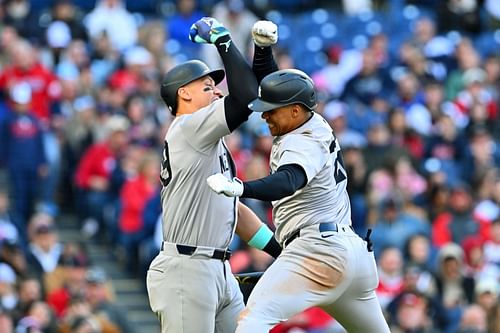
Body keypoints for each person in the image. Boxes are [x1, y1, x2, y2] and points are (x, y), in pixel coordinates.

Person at [207, 69, 390, 332]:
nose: (265, 115)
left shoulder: (302, 141)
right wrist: (263, 51)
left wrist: (240, 187)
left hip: (318, 251)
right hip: (353, 255)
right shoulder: (312, 121)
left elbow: (289, 180)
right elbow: (280, 86)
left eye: (271, 110)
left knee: (252, 321)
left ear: (294, 110)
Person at [146, 17, 282, 333]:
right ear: (184, 94)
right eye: (208, 87)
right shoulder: (188, 128)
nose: (217, 93)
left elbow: (233, 210)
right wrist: (224, 40)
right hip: (187, 270)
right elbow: (247, 98)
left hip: (217, 269)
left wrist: (279, 252)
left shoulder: (208, 142)